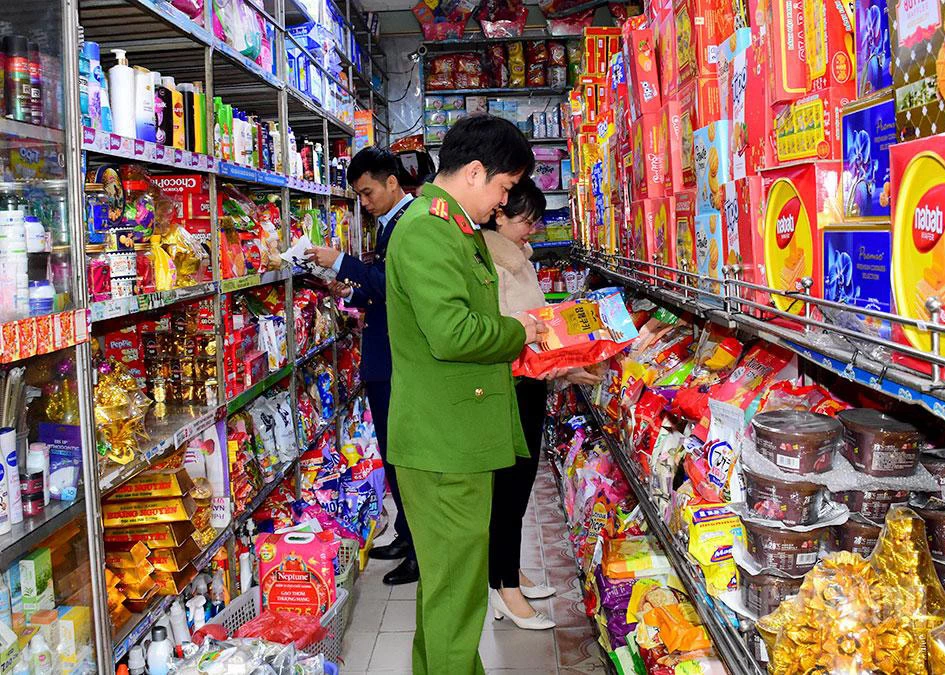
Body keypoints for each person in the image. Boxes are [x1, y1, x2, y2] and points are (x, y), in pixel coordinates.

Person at [385, 114, 544, 675]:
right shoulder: (429, 230)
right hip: (443, 445)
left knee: (451, 595)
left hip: (456, 437)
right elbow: (453, 334)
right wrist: (519, 331)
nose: (502, 204)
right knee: (457, 597)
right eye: (503, 189)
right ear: (475, 172)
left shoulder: (455, 227)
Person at [481, 177, 601, 630]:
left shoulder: (517, 258)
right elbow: (512, 335)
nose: (532, 230)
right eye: (524, 221)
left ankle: (507, 572)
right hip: (513, 387)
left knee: (519, 489)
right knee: (510, 490)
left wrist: (569, 359)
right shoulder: (493, 262)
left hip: (530, 383)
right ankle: (505, 591)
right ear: (499, 214)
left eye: (535, 220)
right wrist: (562, 363)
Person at [306, 146, 419, 585]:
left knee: (404, 459)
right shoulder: (389, 225)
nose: (365, 204)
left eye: (369, 193)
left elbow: (394, 284)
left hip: (396, 362)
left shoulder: (408, 225)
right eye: (359, 196)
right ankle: (407, 535)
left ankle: (419, 551)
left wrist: (339, 260)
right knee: (394, 457)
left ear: (392, 182)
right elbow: (383, 293)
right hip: (382, 356)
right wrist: (348, 293)